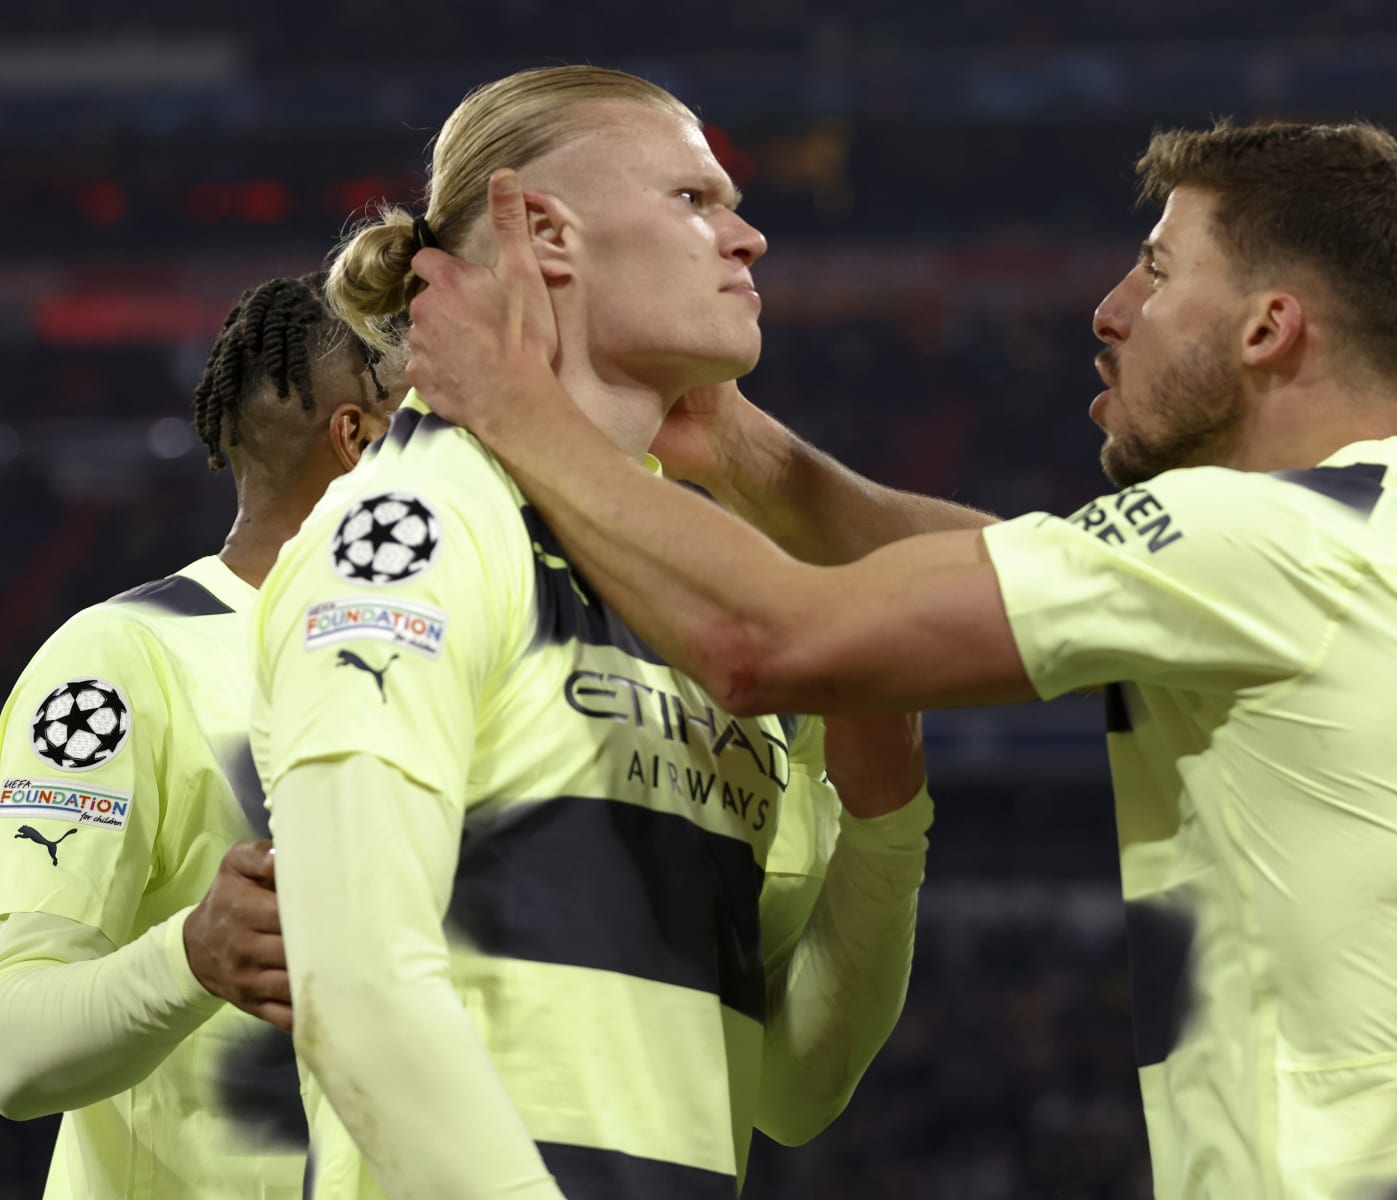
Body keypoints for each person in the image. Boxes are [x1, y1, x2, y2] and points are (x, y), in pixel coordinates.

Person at [408, 120, 1397, 1199]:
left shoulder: (1268, 542)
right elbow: (1013, 565)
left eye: (1160, 273)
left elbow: (767, 644)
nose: (1112, 310)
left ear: (1268, 330)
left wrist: (517, 406)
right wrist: (754, 459)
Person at [253, 65, 931, 1200]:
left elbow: (795, 1083)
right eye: (694, 199)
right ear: (545, 231)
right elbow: (359, 986)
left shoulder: (705, 585)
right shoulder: (417, 521)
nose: (749, 236)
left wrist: (885, 824)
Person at [0, 273, 404, 1198]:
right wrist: (190, 956)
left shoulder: (451, 670)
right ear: (362, 442)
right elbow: (12, 1049)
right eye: (440, 426)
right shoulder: (120, 659)